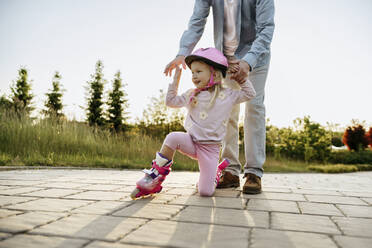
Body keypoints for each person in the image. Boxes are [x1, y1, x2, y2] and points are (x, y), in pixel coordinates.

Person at [164, 0, 275, 194]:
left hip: (256, 56)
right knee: (226, 110)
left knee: (254, 107)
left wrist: (248, 62)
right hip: (225, 60)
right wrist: (183, 53)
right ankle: (230, 170)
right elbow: (197, 21)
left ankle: (253, 172)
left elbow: (266, 29)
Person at [131, 48, 256, 199]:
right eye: (192, 72)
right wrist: (175, 82)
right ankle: (154, 177)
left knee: (205, 192)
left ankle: (215, 173)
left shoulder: (227, 95)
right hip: (191, 142)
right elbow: (171, 102)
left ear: (214, 73)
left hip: (210, 150)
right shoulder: (192, 94)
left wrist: (241, 78)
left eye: (198, 71)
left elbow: (250, 94)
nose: (194, 76)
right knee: (172, 137)